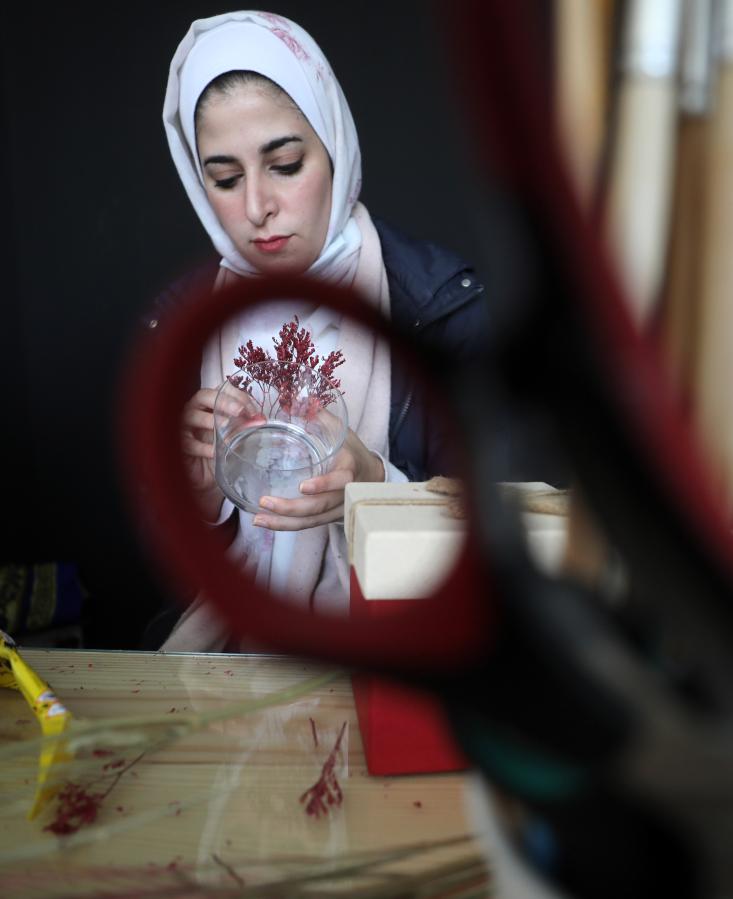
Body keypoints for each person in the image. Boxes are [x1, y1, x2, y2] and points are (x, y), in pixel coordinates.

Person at [143, 10, 489, 651]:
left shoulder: (436, 308)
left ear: (333, 144)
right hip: (231, 655)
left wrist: (377, 485)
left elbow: (510, 540)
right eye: (224, 179)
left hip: (399, 652)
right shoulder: (183, 325)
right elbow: (172, 557)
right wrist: (197, 496)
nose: (257, 207)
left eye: (285, 164)